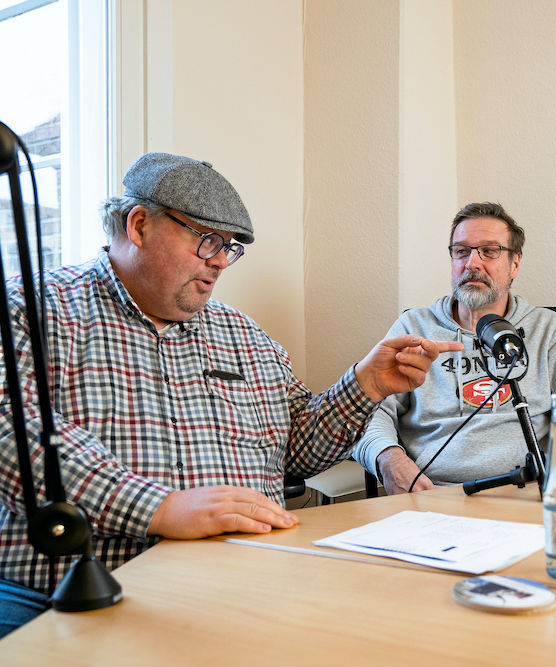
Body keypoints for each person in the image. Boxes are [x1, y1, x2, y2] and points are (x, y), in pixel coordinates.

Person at [0, 153, 462, 636]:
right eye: (208, 241)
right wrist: (161, 509)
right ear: (139, 225)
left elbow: (296, 450)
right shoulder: (35, 309)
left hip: (244, 587)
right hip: (72, 593)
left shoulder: (244, 335)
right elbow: (15, 433)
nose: (221, 260)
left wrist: (367, 384)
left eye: (230, 247)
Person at [353, 202, 556, 494]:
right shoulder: (414, 328)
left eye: (489, 251)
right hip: (433, 494)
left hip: (530, 491)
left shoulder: (547, 328)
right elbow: (366, 411)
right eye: (461, 251)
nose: (472, 263)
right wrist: (390, 459)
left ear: (515, 263)